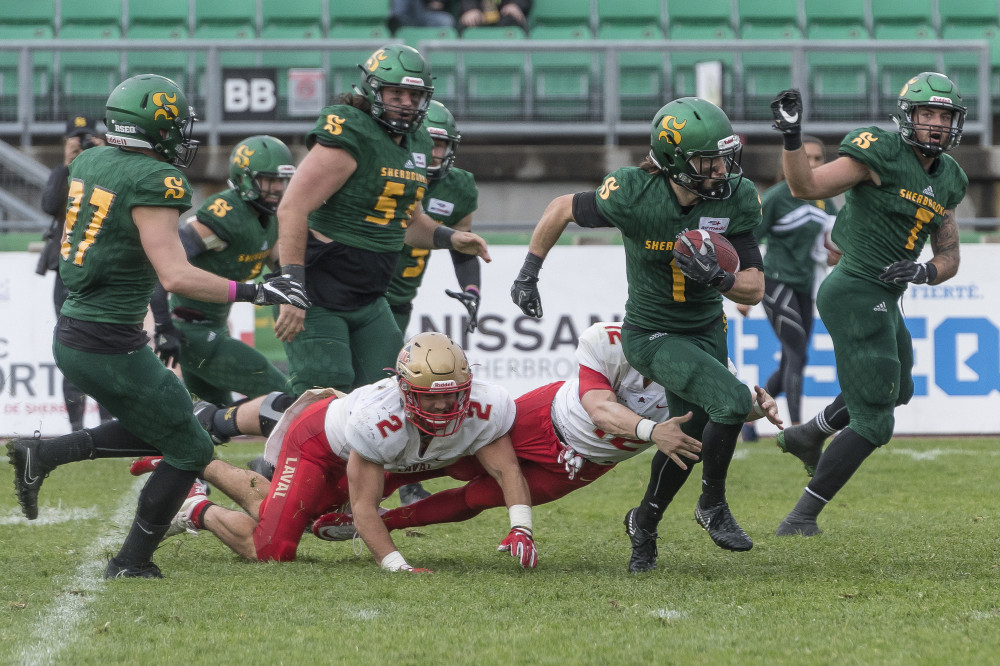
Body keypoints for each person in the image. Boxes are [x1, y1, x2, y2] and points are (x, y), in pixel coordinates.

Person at [6, 74, 310, 579]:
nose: (182, 136)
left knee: (170, 429)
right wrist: (258, 291)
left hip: (83, 329)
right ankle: (131, 560)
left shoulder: (88, 159)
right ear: (153, 129)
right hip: (107, 340)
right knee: (190, 446)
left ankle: (44, 453)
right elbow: (175, 274)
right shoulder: (156, 181)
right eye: (175, 125)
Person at [311, 322, 783, 575]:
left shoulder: (711, 368)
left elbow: (731, 407)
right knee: (444, 459)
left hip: (584, 463)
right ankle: (351, 501)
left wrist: (754, 406)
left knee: (478, 498)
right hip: (542, 419)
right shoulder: (607, 340)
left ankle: (372, 525)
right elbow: (599, 408)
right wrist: (649, 431)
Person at [510, 97, 765, 557]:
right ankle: (713, 504)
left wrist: (720, 278)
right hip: (651, 333)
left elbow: (754, 288)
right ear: (674, 162)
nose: (722, 170)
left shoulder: (737, 198)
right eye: (709, 161)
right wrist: (529, 272)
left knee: (688, 437)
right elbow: (560, 207)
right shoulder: (632, 193)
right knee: (731, 399)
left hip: (707, 327)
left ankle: (643, 523)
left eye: (725, 158)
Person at [768, 72, 966, 536]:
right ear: (908, 116)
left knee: (897, 391)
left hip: (887, 295)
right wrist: (792, 138)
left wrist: (925, 271)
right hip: (855, 290)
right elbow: (806, 187)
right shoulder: (879, 150)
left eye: (944, 115)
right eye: (927, 114)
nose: (936, 124)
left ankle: (808, 433)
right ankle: (800, 518)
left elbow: (950, 255)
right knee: (875, 420)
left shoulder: (950, 177)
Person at [158, 332, 537, 571]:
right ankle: (195, 509)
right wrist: (396, 565)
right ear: (405, 391)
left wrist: (522, 528)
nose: (443, 408)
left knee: (293, 514)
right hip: (318, 444)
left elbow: (507, 472)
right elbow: (364, 508)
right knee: (272, 549)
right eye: (429, 398)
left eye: (451, 395)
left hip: (372, 451)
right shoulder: (378, 420)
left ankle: (201, 463)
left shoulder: (488, 406)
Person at [273, 43, 489, 396]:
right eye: (397, 92)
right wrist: (292, 288)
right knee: (324, 391)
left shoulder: (417, 140)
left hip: (371, 295)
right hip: (320, 287)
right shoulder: (351, 131)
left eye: (414, 95)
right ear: (374, 90)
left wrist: (451, 237)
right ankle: (245, 431)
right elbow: (292, 208)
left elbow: (409, 222)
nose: (405, 102)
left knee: (392, 391)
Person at [150, 135, 296, 406]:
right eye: (269, 180)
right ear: (244, 178)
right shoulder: (224, 215)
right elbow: (162, 264)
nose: (277, 188)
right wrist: (162, 325)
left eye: (282, 180)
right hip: (190, 332)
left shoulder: (269, 216)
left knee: (205, 427)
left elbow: (280, 265)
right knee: (281, 395)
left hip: (214, 328)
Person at [736, 135, 838, 428]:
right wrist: (744, 294)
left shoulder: (825, 201)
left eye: (819, 158)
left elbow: (835, 243)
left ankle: (750, 416)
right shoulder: (777, 197)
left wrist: (834, 255)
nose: (814, 163)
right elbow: (749, 241)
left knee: (797, 356)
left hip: (806, 285)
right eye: (807, 157)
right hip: (776, 281)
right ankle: (796, 427)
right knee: (795, 350)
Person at [37, 113, 113, 431]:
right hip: (68, 268)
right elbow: (50, 204)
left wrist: (103, 154)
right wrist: (70, 165)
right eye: (75, 139)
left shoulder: (107, 168)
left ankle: (110, 424)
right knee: (72, 348)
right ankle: (77, 427)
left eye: (86, 138)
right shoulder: (62, 173)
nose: (80, 143)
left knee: (110, 346)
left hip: (103, 265)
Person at [387, 100, 481, 339]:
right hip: (360, 290)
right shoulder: (386, 170)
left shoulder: (459, 187)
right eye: (427, 144)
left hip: (400, 299)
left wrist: (472, 289)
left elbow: (462, 249)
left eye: (440, 145)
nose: (433, 153)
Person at [457, 0, 530, 33]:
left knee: (515, 19)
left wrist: (515, 5)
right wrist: (470, 8)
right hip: (478, 18)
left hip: (505, 17)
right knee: (466, 23)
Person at [388, 0, 456, 34]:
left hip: (425, 12)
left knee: (446, 20)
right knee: (399, 15)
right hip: (407, 14)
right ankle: (395, 22)